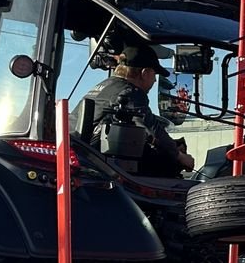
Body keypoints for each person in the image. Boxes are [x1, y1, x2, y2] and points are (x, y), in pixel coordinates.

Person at [80, 39, 196, 176]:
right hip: (92, 163)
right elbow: (152, 127)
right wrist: (180, 157)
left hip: (83, 154)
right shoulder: (131, 92)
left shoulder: (108, 85)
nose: (154, 80)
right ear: (145, 73)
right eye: (154, 75)